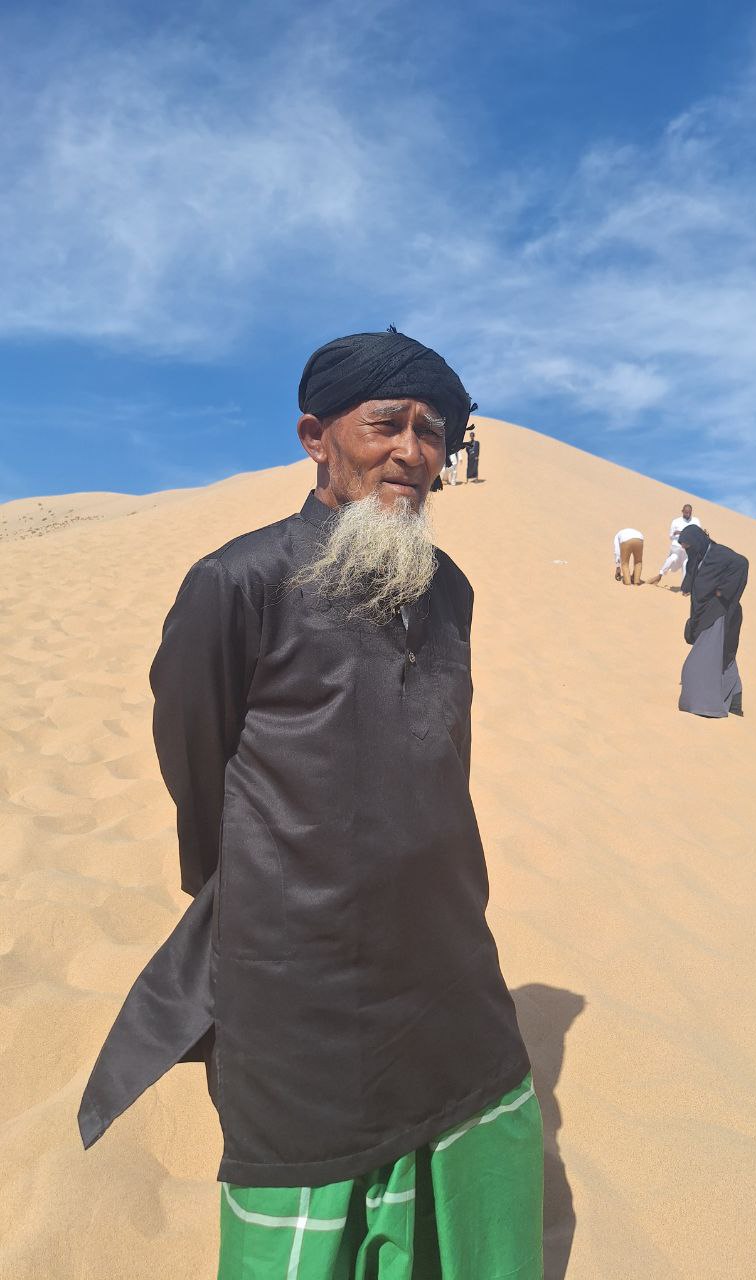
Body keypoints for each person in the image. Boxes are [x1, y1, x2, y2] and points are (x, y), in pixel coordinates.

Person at [78, 329, 543, 1279]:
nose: (412, 451)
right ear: (315, 436)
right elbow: (196, 764)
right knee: (307, 1165)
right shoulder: (236, 581)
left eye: (432, 433)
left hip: (447, 948)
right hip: (299, 963)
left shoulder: (449, 590)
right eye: (386, 424)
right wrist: (261, 886)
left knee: (479, 1132)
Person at [676, 525, 748, 718]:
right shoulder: (698, 557)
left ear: (697, 541)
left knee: (698, 661)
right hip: (706, 613)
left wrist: (722, 591)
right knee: (723, 656)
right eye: (684, 547)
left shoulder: (718, 553)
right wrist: (687, 587)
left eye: (688, 545)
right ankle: (734, 702)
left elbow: (742, 563)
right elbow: (693, 575)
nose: (686, 549)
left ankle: (703, 705)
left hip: (720, 613)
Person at [645, 504, 701, 586]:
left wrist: (681, 532)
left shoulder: (696, 521)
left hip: (689, 550)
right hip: (677, 547)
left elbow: (698, 533)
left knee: (686, 565)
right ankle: (659, 576)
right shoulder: (676, 521)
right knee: (672, 559)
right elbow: (671, 536)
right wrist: (683, 534)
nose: (688, 514)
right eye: (686, 512)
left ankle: (684, 587)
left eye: (689, 513)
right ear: (682, 511)